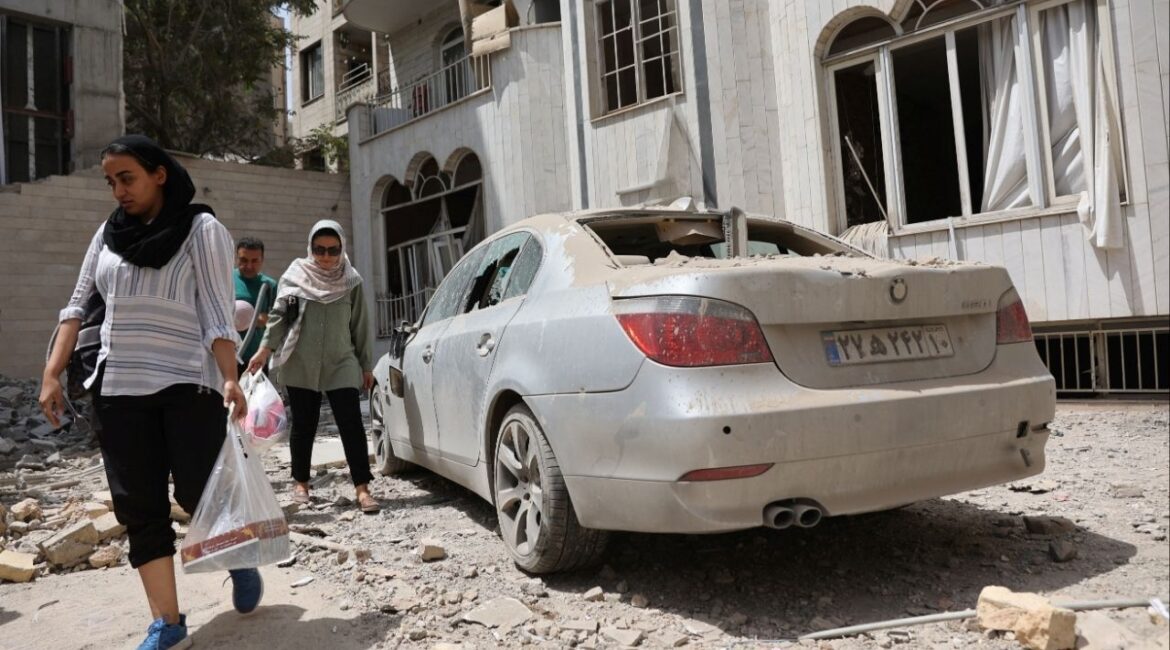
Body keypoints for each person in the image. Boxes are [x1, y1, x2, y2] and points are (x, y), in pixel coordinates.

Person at [38, 135, 260, 650]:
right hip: (117, 391)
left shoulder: (202, 229)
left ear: (159, 174)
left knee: (197, 491)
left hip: (188, 384)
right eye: (111, 182)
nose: (118, 191)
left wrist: (230, 374)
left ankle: (237, 555)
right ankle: (168, 621)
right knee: (139, 507)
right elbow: (77, 304)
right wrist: (52, 371)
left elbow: (215, 309)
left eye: (127, 178)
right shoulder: (108, 235)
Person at [248, 220, 379, 513]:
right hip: (301, 361)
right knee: (304, 425)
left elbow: (360, 325)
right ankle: (301, 484)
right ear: (311, 248)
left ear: (341, 249)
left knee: (352, 425)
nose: (326, 256)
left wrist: (366, 364)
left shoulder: (351, 281)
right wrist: (264, 349)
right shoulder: (295, 277)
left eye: (333, 250)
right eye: (319, 249)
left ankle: (362, 488)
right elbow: (279, 318)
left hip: (341, 361)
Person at [234, 237, 278, 376]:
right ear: (236, 258)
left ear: (262, 260)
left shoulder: (270, 286)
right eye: (244, 260)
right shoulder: (226, 280)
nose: (249, 266)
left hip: (256, 359)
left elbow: (279, 321)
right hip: (228, 358)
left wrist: (265, 320)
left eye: (254, 261)